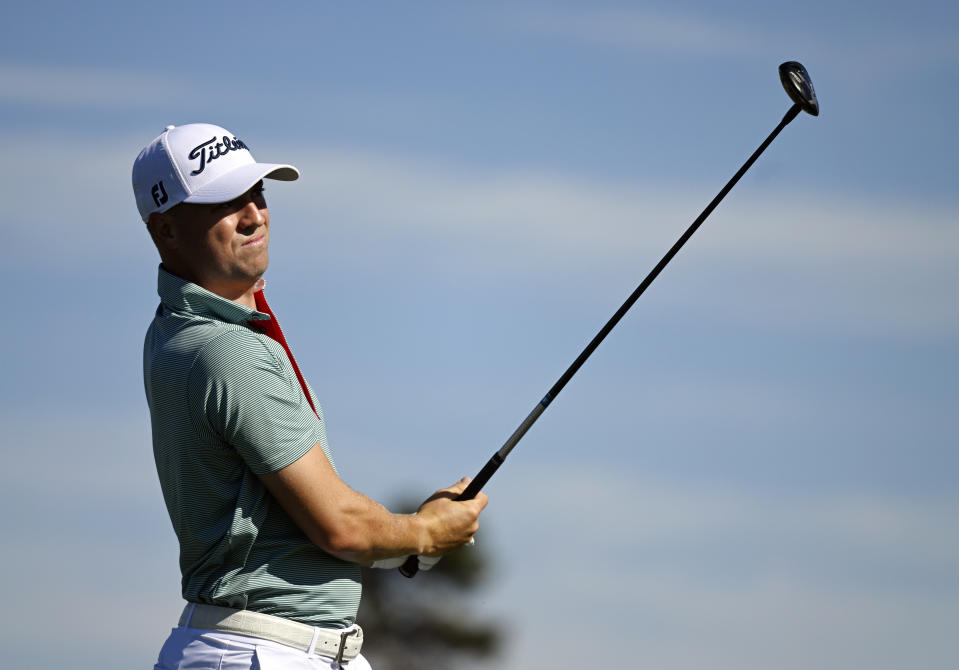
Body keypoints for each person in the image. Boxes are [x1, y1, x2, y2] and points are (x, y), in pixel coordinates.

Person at [134, 123, 488, 669]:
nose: (254, 215)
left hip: (266, 646)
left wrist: (408, 546)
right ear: (166, 230)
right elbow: (340, 526)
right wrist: (425, 533)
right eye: (224, 204)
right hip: (264, 651)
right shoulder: (228, 350)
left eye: (257, 194)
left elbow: (297, 523)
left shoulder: (173, 331)